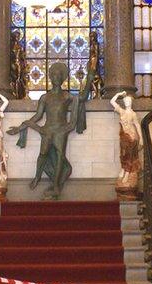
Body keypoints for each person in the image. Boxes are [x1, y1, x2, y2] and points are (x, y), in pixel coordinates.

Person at [6, 63, 91, 199]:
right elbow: (38, 116)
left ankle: (56, 186)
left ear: (63, 78)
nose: (56, 77)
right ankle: (37, 176)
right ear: (51, 77)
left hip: (61, 130)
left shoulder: (67, 96)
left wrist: (90, 78)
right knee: (43, 153)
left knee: (59, 157)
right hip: (47, 130)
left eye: (59, 75)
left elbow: (82, 97)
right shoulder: (45, 97)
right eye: (54, 75)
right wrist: (20, 128)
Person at [110, 91, 143, 197]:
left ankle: (127, 172)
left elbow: (137, 125)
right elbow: (112, 101)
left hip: (132, 137)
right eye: (126, 100)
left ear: (131, 102)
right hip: (123, 137)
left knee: (130, 156)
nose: (127, 102)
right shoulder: (122, 111)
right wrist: (119, 94)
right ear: (124, 102)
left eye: (129, 100)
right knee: (123, 154)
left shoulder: (133, 114)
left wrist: (141, 138)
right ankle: (123, 169)